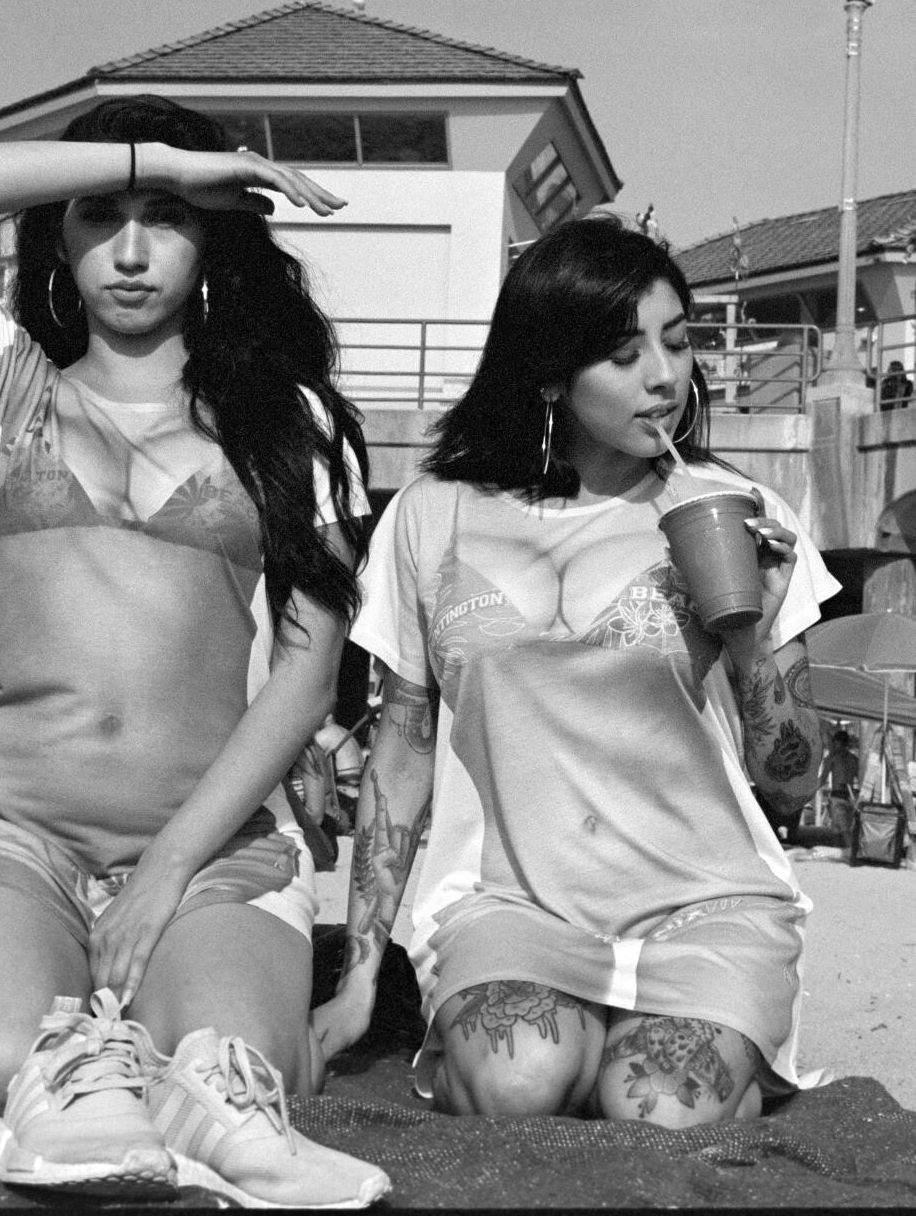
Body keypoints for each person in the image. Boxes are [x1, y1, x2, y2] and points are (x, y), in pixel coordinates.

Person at [0, 94, 389, 1205]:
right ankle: (63, 1027)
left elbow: (305, 679)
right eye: (99, 214)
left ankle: (147, 1047)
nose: (132, 248)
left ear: (212, 243)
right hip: (0, 828)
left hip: (214, 849)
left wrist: (165, 872)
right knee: (11, 1062)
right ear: (56, 235)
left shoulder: (286, 425)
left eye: (167, 216)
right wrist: (168, 158)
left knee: (239, 1081)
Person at [313, 215, 839, 1130]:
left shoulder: (742, 514)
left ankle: (699, 1053)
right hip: (511, 902)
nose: (666, 377)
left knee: (658, 1106)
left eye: (677, 342)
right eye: (625, 353)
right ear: (551, 370)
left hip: (706, 899)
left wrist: (753, 634)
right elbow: (399, 756)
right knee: (518, 1082)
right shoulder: (432, 515)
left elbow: (792, 784)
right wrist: (360, 977)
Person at [824, 727, 861, 841]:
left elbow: (822, 779)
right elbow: (860, 780)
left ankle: (848, 853)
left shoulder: (832, 758)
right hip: (849, 798)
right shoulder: (854, 759)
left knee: (840, 832)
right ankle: (844, 853)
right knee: (845, 829)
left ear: (836, 743)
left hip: (837, 798)